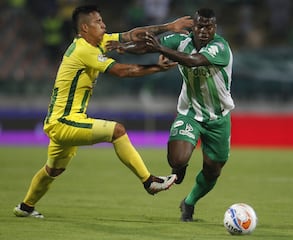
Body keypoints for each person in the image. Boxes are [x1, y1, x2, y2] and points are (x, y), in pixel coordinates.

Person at [13, 4, 193, 219]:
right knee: (117, 130)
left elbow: (131, 35)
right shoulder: (84, 50)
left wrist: (170, 26)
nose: (104, 25)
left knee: (53, 170)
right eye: (98, 22)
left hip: (61, 121)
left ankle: (25, 207)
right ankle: (149, 181)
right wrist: (156, 68)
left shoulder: (96, 43)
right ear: (84, 28)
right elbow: (121, 71)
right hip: (64, 121)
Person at [144, 8, 234, 221]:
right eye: (200, 26)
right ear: (193, 26)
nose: (204, 31)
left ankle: (189, 202)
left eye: (208, 27)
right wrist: (121, 46)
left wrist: (163, 50)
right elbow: (149, 44)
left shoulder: (220, 47)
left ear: (215, 28)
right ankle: (179, 167)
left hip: (218, 118)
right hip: (190, 113)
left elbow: (193, 61)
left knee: (213, 170)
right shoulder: (181, 40)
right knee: (178, 159)